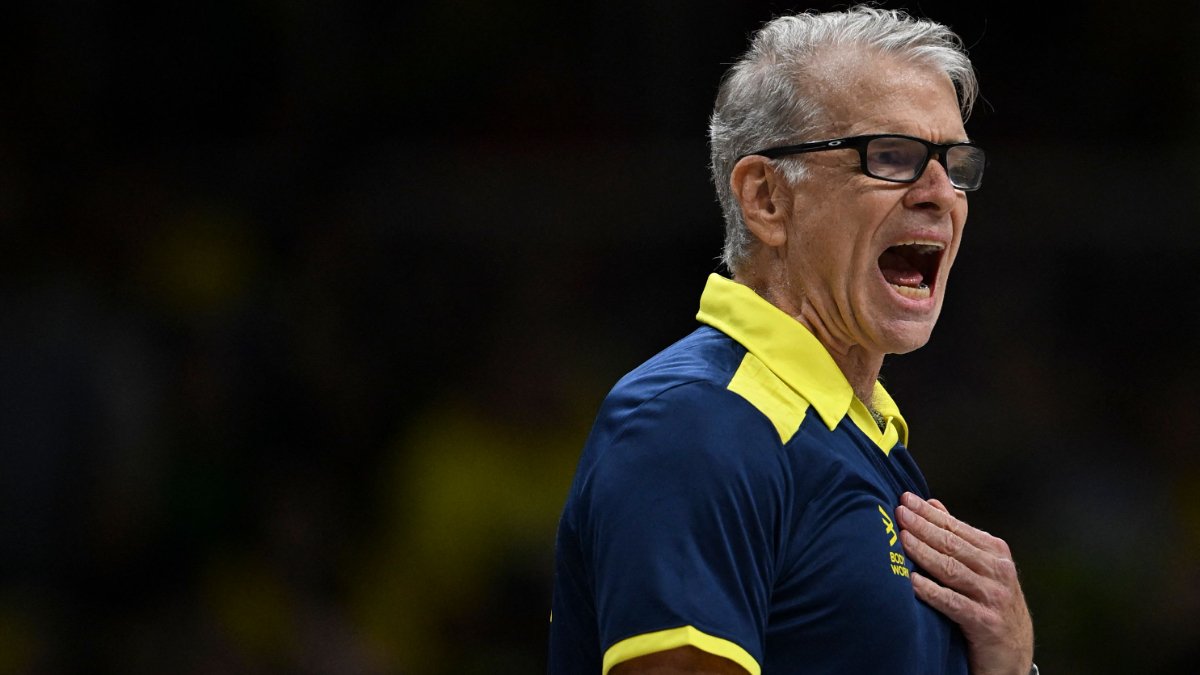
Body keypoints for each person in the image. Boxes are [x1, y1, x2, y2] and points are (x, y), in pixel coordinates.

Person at [548, 6, 1036, 675]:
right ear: (767, 199)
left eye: (955, 164)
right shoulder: (696, 422)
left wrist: (1010, 666)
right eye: (891, 156)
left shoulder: (859, 439)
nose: (939, 194)